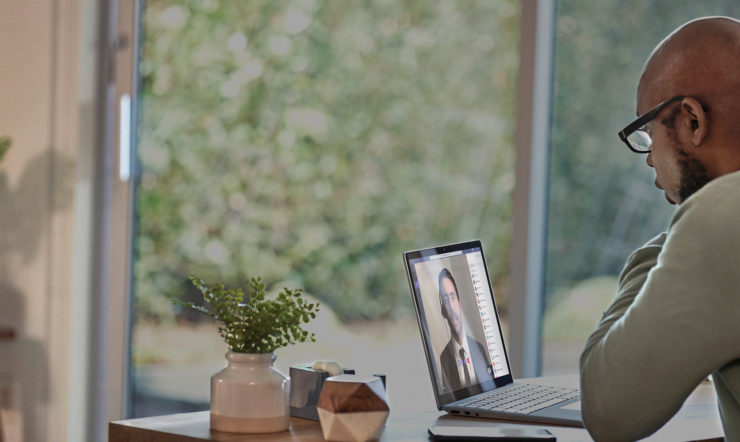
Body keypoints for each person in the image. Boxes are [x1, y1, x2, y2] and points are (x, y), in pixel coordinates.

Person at [580, 16, 740, 441]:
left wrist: (669, 240)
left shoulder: (724, 217)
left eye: (648, 133)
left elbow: (608, 413)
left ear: (691, 120)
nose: (650, 159)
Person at [437, 268, 490, 392]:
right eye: (445, 299)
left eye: (452, 297)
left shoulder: (479, 349)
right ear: (443, 311)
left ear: (460, 303)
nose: (450, 305)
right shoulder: (444, 358)